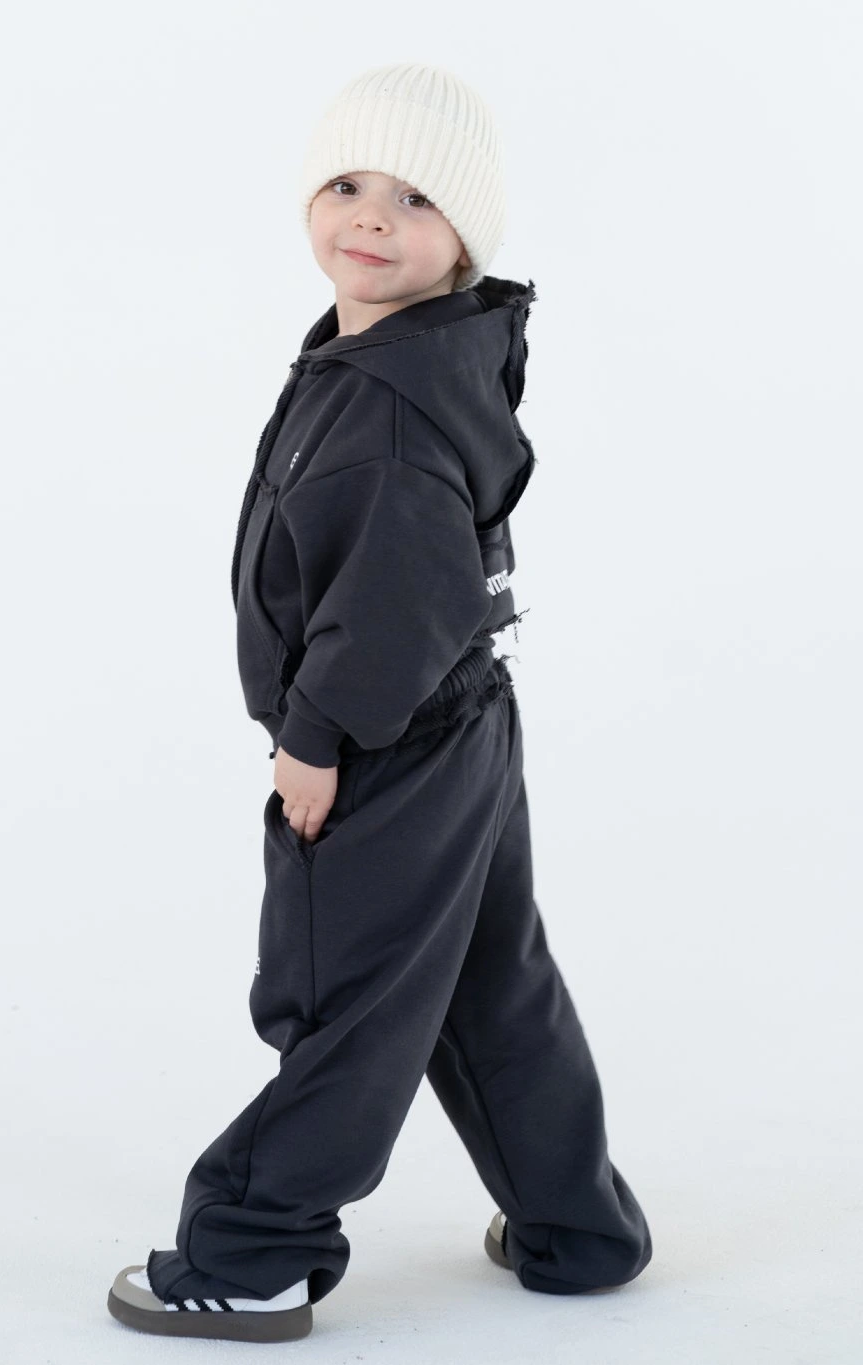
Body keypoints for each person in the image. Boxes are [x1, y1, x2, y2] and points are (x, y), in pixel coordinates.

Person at [107, 61, 652, 1344]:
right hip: (463, 720)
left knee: (341, 997)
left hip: (386, 740)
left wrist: (313, 741)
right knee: (485, 982)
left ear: (465, 238)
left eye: (415, 198)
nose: (369, 216)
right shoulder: (411, 353)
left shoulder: (389, 405)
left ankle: (257, 1252)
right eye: (346, 184)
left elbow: (393, 600)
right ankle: (576, 1227)